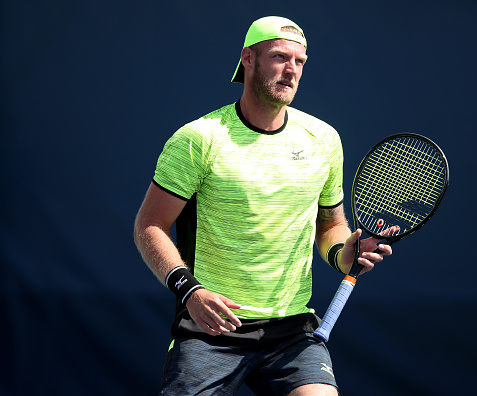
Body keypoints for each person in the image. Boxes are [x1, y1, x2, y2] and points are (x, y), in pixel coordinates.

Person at [133, 16, 394, 396]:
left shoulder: (323, 139)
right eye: (279, 57)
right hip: (212, 329)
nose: (291, 70)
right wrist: (190, 291)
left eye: (300, 61)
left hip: (292, 330)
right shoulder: (199, 139)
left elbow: (330, 225)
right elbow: (150, 226)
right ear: (248, 58)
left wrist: (342, 253)